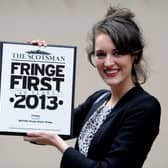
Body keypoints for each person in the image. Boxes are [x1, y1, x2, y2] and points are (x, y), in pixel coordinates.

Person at [24, 6, 161, 168]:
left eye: (118, 53)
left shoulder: (144, 107)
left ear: (135, 55)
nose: (108, 63)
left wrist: (59, 144)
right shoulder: (98, 99)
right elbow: (45, 127)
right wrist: (34, 61)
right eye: (101, 54)